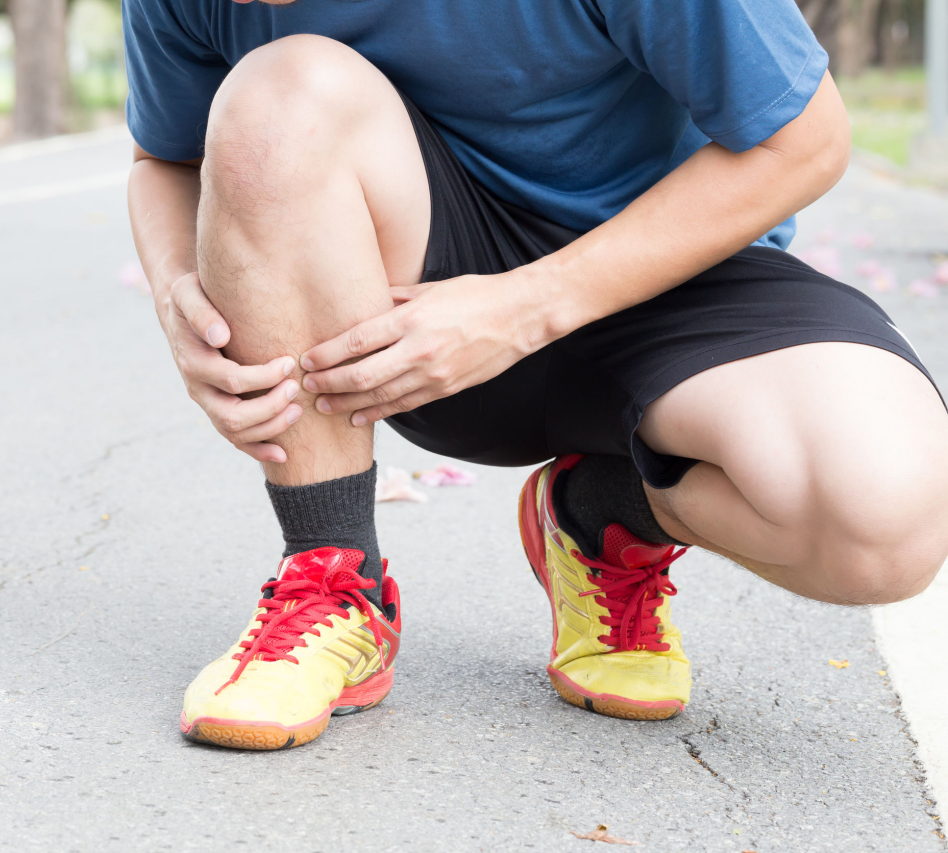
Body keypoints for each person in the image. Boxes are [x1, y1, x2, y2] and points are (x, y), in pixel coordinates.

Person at [124, 0, 948, 749]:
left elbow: (806, 140)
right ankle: (332, 576)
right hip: (413, 324)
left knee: (887, 526)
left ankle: (603, 513)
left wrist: (521, 308)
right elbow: (163, 157)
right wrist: (173, 297)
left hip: (673, 275)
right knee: (279, 93)